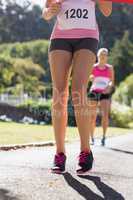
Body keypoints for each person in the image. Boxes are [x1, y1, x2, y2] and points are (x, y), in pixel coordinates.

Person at [42, 0, 112, 175]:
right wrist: (50, 11)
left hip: (87, 37)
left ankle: (85, 151)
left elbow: (107, 11)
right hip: (60, 37)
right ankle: (59, 153)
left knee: (78, 91)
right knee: (59, 94)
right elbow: (46, 13)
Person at [88, 48, 115, 146]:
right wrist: (90, 77)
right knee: (92, 116)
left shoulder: (110, 68)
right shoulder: (93, 67)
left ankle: (103, 136)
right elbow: (89, 77)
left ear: (107, 57)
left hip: (105, 92)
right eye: (101, 54)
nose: (103, 56)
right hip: (94, 91)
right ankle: (91, 137)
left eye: (105, 55)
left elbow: (112, 81)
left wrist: (109, 86)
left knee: (105, 115)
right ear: (98, 56)